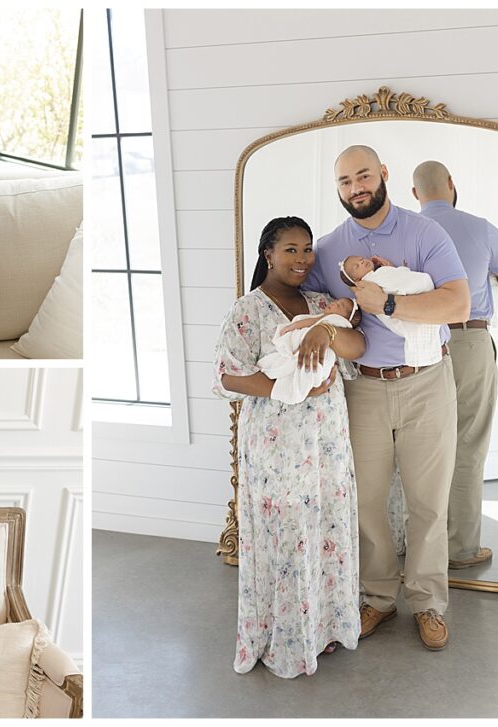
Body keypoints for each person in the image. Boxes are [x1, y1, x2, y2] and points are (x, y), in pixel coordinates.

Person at [302, 145, 471, 651]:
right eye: (345, 181)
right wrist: (331, 309)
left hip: (427, 382)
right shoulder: (330, 247)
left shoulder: (425, 233)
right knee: (368, 502)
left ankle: (428, 603)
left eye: (364, 176)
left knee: (428, 503)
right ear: (338, 189)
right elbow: (305, 301)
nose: (356, 187)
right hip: (364, 388)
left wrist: (390, 301)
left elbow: (458, 302)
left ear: (384, 175)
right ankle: (376, 597)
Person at [213, 216, 366, 678]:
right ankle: (283, 637)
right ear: (268, 255)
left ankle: (326, 627)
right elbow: (225, 375)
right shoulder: (247, 310)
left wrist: (328, 329)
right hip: (277, 448)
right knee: (285, 536)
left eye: (307, 249)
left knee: (326, 528)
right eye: (290, 250)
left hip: (327, 442)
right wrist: (291, 389)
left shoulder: (321, 303)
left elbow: (356, 347)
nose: (301, 259)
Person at [412, 160, 498, 569]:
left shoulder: (409, 230)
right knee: (468, 444)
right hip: (470, 340)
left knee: (419, 449)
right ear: (451, 185)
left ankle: (418, 545)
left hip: (420, 345)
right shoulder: (482, 228)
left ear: (414, 194)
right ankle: (461, 548)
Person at [339, 254, 441, 366]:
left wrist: (392, 270)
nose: (362, 262)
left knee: (417, 329)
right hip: (399, 310)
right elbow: (399, 280)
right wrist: (402, 270)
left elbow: (393, 281)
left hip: (398, 315)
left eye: (361, 259)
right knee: (424, 280)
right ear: (356, 280)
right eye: (357, 266)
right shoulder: (372, 279)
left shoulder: (379, 275)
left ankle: (424, 356)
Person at [258, 296, 358, 404]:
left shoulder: (334, 320)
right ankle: (297, 388)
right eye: (336, 302)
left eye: (339, 305)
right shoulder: (329, 320)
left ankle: (295, 390)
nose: (334, 304)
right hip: (320, 351)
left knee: (307, 362)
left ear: (347, 318)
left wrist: (291, 327)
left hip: (321, 349)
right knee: (306, 366)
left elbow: (311, 322)